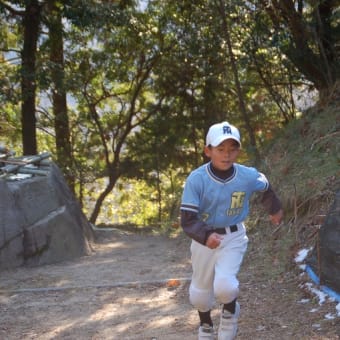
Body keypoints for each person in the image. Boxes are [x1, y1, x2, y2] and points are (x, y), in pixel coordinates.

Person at [180, 121, 283, 340]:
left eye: (232, 149)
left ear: (238, 151)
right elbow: (187, 219)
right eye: (220, 149)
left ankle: (229, 313)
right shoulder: (197, 179)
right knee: (199, 293)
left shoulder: (246, 175)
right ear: (208, 151)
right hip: (203, 240)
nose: (226, 155)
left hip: (234, 235)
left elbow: (265, 186)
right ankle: (205, 325)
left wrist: (274, 209)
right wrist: (206, 235)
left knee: (225, 286)